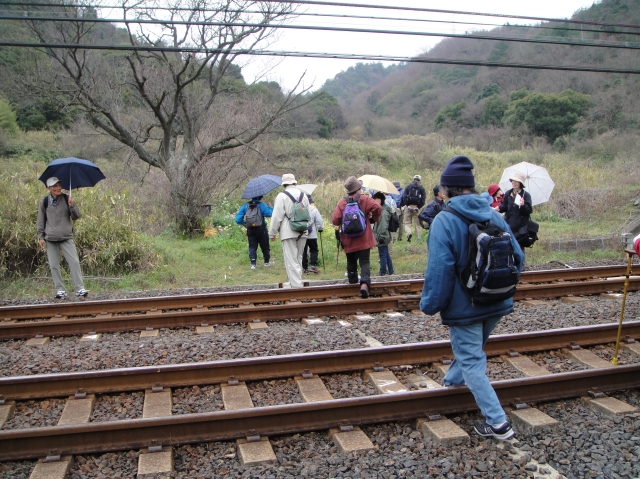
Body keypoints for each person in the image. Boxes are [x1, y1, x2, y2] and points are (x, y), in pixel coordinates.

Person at [420, 155, 524, 441]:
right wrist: (498, 286)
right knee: (471, 349)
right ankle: (452, 385)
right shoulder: (492, 213)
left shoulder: (444, 220)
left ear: (447, 190)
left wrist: (429, 305)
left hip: (466, 308)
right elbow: (519, 257)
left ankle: (498, 424)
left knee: (472, 359)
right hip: (497, 301)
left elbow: (439, 271)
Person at [36, 177, 89, 299]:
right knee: (54, 265)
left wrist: (72, 205)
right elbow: (40, 220)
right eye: (55, 186)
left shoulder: (66, 199)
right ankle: (60, 290)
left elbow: (76, 216)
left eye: (59, 185)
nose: (58, 188)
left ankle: (80, 289)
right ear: (49, 188)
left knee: (74, 262)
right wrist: (41, 237)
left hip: (66, 237)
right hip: (50, 238)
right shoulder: (44, 201)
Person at [331, 176, 382, 298]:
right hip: (364, 237)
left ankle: (353, 281)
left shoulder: (342, 202)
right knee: (364, 261)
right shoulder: (364, 199)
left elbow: (335, 220)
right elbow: (378, 208)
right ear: (358, 188)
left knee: (351, 260)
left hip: (348, 238)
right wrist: (373, 218)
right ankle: (364, 284)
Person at [268, 174, 309, 288]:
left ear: (284, 184)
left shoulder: (282, 196)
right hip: (303, 230)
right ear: (295, 183)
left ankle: (296, 287)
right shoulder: (303, 195)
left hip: (288, 231)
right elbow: (308, 214)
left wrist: (272, 233)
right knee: (298, 258)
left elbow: (277, 216)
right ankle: (296, 282)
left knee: (291, 260)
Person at [235, 196, 274, 270]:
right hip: (261, 228)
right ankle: (266, 262)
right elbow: (270, 214)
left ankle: (253, 264)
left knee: (252, 246)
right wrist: (270, 207)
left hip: (250, 229)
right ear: (260, 197)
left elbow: (237, 219)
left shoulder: (245, 205)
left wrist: (244, 223)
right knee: (265, 245)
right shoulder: (261, 205)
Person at [499, 172, 533, 252]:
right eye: (512, 181)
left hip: (521, 227)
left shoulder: (526, 195)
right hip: (509, 225)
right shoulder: (508, 193)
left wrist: (523, 205)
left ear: (520, 183)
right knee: (509, 247)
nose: (513, 183)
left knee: (519, 248)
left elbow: (529, 211)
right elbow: (504, 207)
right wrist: (499, 208)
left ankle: (521, 264)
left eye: (516, 181)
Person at [372, 192, 394, 276]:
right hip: (383, 235)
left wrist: (381, 236)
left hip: (383, 236)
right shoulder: (381, 209)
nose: (374, 201)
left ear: (380, 200)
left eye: (376, 199)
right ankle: (391, 270)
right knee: (386, 254)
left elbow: (383, 225)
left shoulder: (384, 211)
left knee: (382, 255)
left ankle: (382, 272)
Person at [302, 195, 324, 274]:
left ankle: (304, 268)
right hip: (312, 235)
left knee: (303, 251)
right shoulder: (314, 210)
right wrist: (320, 228)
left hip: (302, 234)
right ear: (311, 202)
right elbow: (319, 221)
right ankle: (313, 266)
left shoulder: (300, 209)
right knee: (314, 250)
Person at [402, 174, 426, 242]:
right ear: (420, 180)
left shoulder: (408, 186)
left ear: (413, 179)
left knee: (407, 222)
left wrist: (407, 205)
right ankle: (418, 238)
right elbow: (423, 198)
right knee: (418, 224)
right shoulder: (421, 188)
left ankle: (408, 233)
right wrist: (418, 207)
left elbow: (404, 197)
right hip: (417, 208)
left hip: (408, 207)